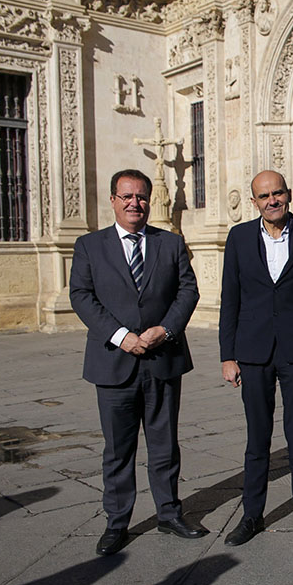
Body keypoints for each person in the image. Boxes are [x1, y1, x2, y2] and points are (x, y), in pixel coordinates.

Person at [69, 168, 205, 556]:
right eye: (126, 196)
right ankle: (117, 522)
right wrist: (121, 336)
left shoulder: (171, 243)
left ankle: (169, 513)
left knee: (165, 445)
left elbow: (188, 290)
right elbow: (81, 296)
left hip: (162, 358)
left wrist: (164, 330)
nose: (135, 203)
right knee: (117, 449)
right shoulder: (90, 246)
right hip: (114, 362)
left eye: (141, 197)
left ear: (149, 201)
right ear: (112, 200)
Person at [219, 170, 293, 546]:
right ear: (254, 202)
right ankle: (251, 516)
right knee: (257, 440)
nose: (272, 200)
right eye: (264, 195)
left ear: (288, 194)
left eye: (278, 193)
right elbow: (230, 300)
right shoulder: (238, 238)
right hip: (252, 353)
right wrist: (228, 355)